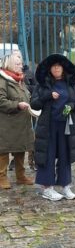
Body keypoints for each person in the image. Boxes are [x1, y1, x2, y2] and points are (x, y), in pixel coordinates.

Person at [30, 54, 75, 201]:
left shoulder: (72, 84)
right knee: (47, 155)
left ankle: (65, 186)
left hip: (67, 125)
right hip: (48, 126)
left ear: (64, 68)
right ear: (49, 69)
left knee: (65, 155)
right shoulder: (43, 85)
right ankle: (47, 188)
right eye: (53, 66)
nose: (56, 68)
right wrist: (47, 95)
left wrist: (73, 105)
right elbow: (34, 103)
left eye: (59, 66)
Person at [0, 50, 34, 189]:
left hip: (22, 122)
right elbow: (1, 101)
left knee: (21, 149)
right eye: (17, 63)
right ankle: (2, 177)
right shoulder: (2, 80)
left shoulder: (19, 79)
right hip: (7, 123)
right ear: (9, 64)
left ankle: (21, 176)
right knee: (4, 150)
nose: (21, 66)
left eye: (21, 63)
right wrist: (17, 105)